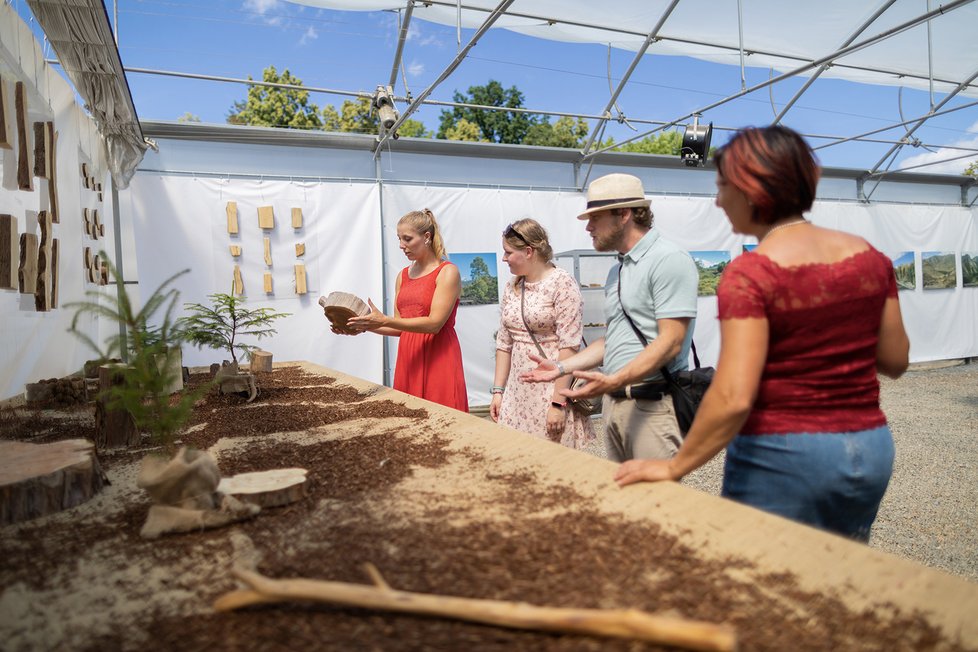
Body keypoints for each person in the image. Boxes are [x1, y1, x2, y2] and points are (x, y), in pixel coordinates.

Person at [614, 126, 910, 542]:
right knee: (842, 580)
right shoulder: (872, 259)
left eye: (722, 187)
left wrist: (674, 466)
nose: (718, 201)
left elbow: (735, 396)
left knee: (764, 580)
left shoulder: (751, 273)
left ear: (752, 189)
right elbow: (895, 360)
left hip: (786, 453)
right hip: (870, 447)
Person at [521, 173, 698, 461]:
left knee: (653, 502)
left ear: (624, 214)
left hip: (655, 405)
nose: (588, 227)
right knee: (624, 500)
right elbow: (613, 340)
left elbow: (672, 342)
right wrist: (560, 367)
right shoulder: (618, 269)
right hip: (616, 405)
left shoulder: (669, 259)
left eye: (595, 218)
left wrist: (613, 379)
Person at [343, 208, 468, 412]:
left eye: (407, 239)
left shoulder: (448, 272)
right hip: (409, 358)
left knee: (443, 419)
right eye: (399, 239)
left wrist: (383, 320)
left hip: (439, 357)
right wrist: (364, 324)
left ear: (427, 237)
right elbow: (400, 327)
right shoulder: (402, 275)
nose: (402, 245)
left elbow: (434, 324)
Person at [490, 218, 595, 449]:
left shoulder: (562, 284)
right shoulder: (513, 286)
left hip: (551, 391)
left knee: (552, 464)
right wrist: (499, 391)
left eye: (508, 252)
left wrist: (558, 404)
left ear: (528, 251)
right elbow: (504, 343)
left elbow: (570, 345)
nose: (504, 258)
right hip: (517, 393)